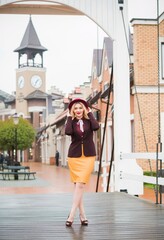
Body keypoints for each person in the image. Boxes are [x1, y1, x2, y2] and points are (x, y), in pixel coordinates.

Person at [65, 98, 99, 227]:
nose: (78, 110)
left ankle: (72, 214)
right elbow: (67, 132)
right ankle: (83, 215)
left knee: (80, 185)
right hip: (74, 157)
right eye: (75, 108)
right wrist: (69, 117)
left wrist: (90, 114)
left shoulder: (89, 120)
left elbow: (96, 127)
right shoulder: (71, 122)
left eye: (80, 108)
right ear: (72, 111)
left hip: (88, 156)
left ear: (84, 109)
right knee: (78, 187)